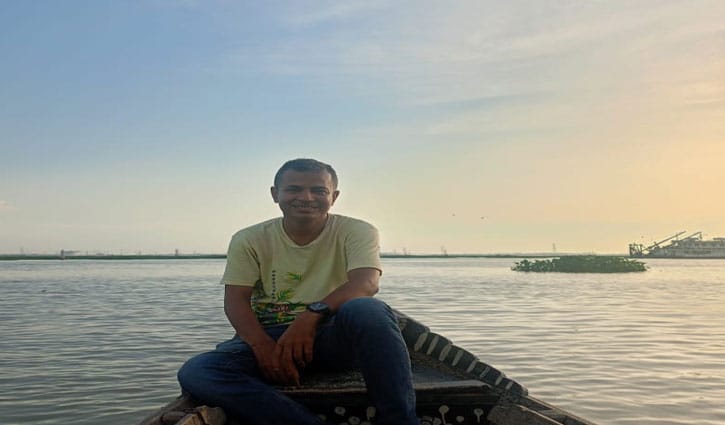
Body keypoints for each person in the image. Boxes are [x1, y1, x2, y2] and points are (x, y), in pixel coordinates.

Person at [177, 158, 418, 425]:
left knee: (369, 309)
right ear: (275, 194)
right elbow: (236, 300)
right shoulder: (249, 239)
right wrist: (263, 348)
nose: (306, 198)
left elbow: (366, 284)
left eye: (318, 190)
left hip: (333, 336)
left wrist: (309, 317)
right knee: (198, 372)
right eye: (294, 189)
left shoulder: (357, 231)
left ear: (334, 197)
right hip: (273, 337)